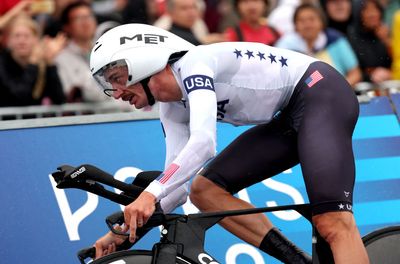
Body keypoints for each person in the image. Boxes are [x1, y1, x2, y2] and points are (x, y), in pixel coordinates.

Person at [89, 23, 369, 263]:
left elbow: (205, 143)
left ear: (142, 62)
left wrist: (148, 195)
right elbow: (175, 190)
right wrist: (122, 232)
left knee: (332, 221)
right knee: (204, 190)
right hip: (289, 115)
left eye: (117, 79)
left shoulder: (193, 63)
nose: (115, 93)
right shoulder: (171, 107)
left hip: (320, 93)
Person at [275, 3, 361, 86]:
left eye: (312, 19)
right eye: (301, 20)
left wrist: (339, 88)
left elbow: (355, 74)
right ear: (295, 25)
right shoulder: (286, 47)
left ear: (321, 22)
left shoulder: (335, 40)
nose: (307, 25)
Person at [0, 14, 66, 106]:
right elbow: (19, 96)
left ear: (35, 40)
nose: (21, 41)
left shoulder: (41, 63)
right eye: (17, 36)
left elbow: (59, 99)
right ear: (9, 41)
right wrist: (33, 63)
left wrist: (50, 62)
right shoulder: (3, 62)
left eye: (26, 36)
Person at [347, 0, 392, 83]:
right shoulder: (351, 36)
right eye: (366, 10)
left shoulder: (385, 32)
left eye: (375, 9)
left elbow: (394, 62)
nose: (372, 14)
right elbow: (351, 70)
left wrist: (387, 41)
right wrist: (370, 76)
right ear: (358, 13)